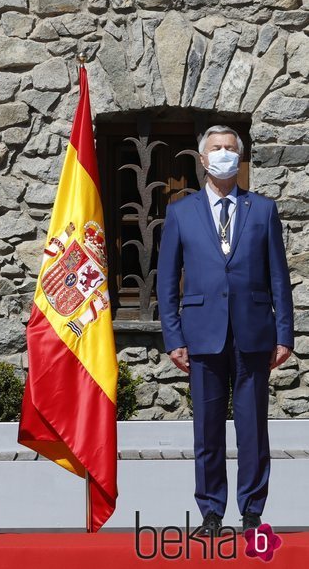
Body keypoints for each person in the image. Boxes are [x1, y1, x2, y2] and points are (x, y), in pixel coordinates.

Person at [157, 125, 293, 536]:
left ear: (240, 157)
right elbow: (166, 281)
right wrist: (174, 336)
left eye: (230, 149)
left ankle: (252, 512)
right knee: (208, 429)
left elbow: (279, 278)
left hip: (253, 333)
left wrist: (284, 333)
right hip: (202, 333)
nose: (223, 154)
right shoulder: (181, 212)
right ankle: (211, 513)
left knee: (253, 429)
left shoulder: (262, 210)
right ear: (202, 159)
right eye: (216, 148)